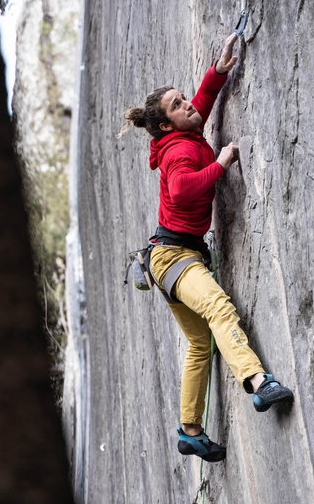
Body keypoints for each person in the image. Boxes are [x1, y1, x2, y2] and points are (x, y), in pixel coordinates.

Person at [122, 33, 293, 462]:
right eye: (178, 106)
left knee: (201, 344)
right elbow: (180, 191)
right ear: (165, 125)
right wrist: (220, 164)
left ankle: (191, 431)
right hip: (175, 259)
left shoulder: (181, 130)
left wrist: (219, 68)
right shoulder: (178, 150)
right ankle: (258, 382)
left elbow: (202, 100)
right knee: (219, 308)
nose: (189, 105)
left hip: (168, 260)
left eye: (182, 98)